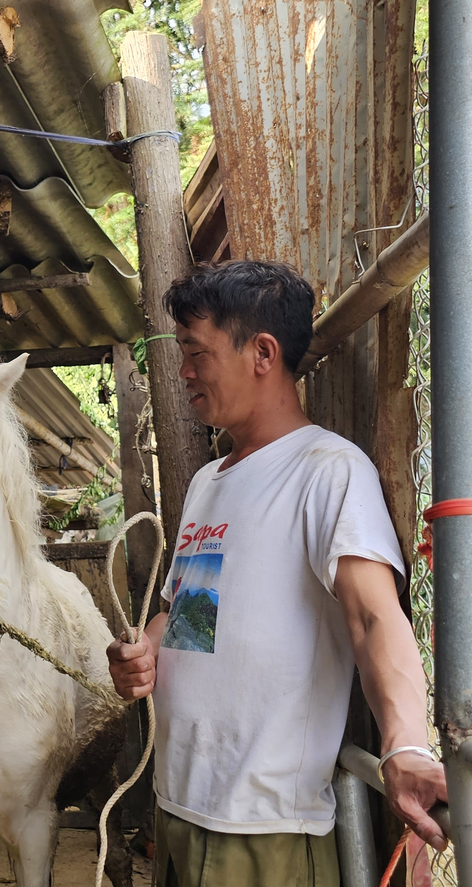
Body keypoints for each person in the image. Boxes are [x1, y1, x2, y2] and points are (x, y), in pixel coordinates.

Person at [106, 260, 447, 887]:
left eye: (196, 352)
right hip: (180, 804)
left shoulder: (328, 470)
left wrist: (407, 742)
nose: (183, 371)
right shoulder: (211, 481)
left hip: (263, 829)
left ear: (262, 353)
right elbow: (187, 613)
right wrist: (147, 651)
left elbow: (374, 618)